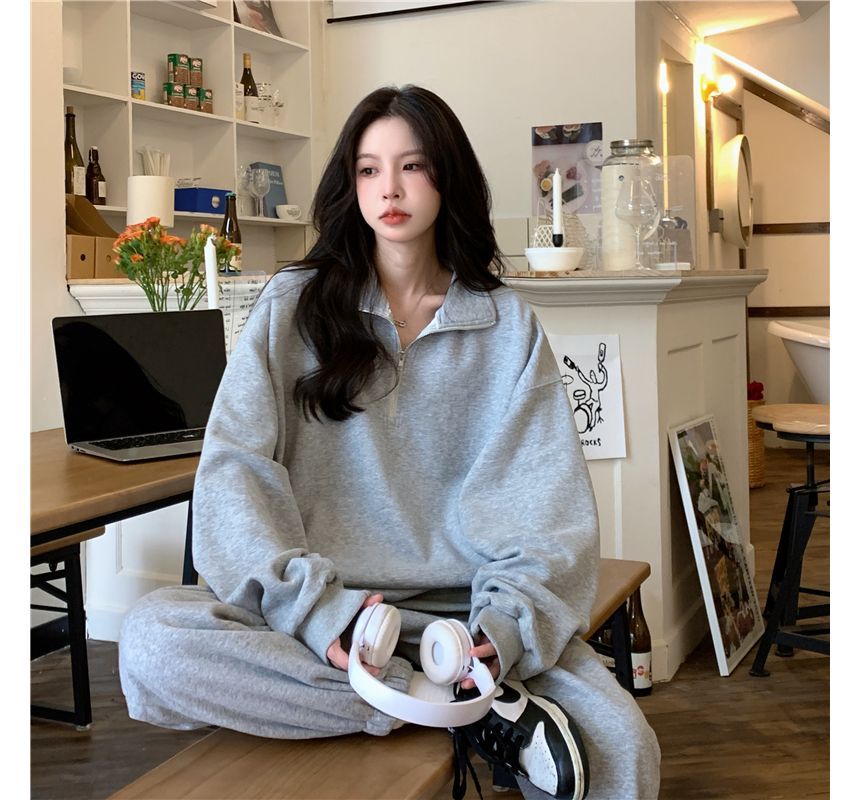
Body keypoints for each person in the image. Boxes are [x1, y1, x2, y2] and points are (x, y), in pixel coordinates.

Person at [118, 84, 660, 800]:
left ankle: (459, 695)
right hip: (327, 623)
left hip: (467, 627)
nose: (389, 189)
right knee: (153, 644)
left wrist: (505, 631)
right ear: (351, 185)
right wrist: (318, 613)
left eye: (412, 166)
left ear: (447, 177)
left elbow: (546, 511)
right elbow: (234, 473)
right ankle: (461, 713)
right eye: (369, 169)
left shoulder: (507, 327)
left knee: (625, 748)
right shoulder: (293, 306)